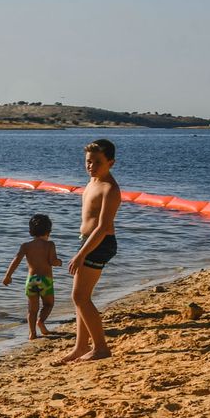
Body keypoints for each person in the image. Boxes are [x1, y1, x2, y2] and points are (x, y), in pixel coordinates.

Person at [59, 139, 122, 363]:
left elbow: (103, 227)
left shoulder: (110, 188)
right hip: (87, 241)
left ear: (110, 163)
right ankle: (80, 347)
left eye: (97, 162)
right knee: (80, 298)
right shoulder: (92, 182)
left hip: (100, 243)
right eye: (88, 161)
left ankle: (101, 347)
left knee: (80, 296)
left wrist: (81, 254)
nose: (91, 166)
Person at [2, 213, 62, 339]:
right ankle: (40, 322)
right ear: (48, 231)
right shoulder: (50, 245)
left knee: (31, 309)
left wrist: (8, 275)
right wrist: (59, 262)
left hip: (31, 280)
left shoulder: (26, 246)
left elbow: (16, 260)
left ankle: (32, 333)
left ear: (31, 231)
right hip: (45, 280)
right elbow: (52, 261)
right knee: (48, 304)